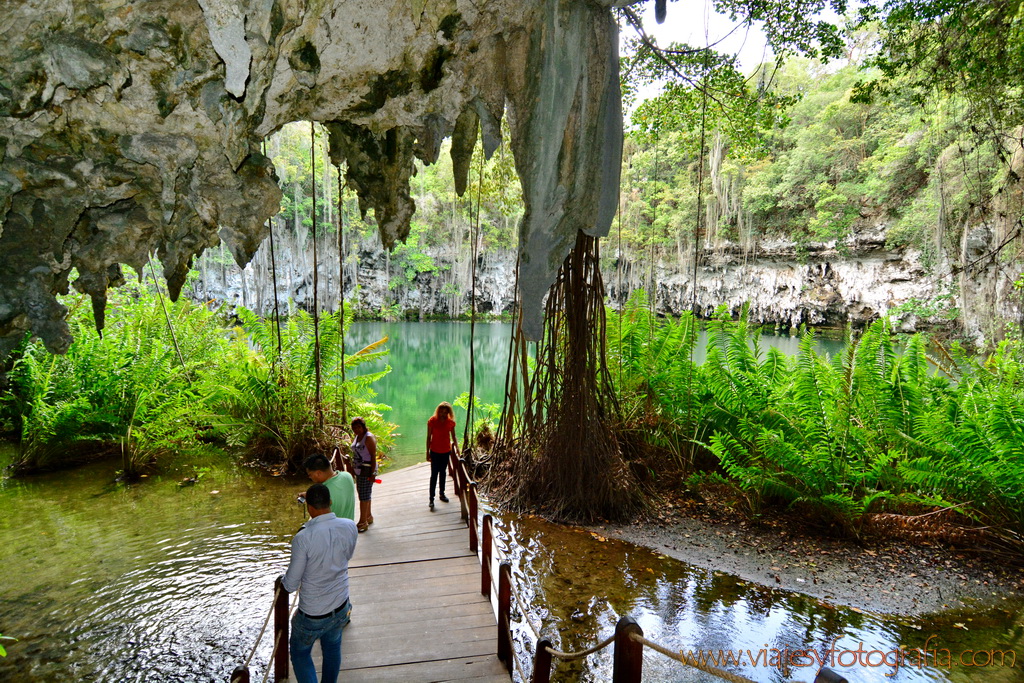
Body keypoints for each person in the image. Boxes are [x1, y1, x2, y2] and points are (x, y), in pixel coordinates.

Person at [281, 483, 358, 683]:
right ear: (330, 502)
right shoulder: (349, 526)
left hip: (313, 613)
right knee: (332, 647)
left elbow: (290, 584)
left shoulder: (303, 538)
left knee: (300, 653)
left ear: (309, 507)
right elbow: (346, 556)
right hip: (341, 605)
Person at [425, 401, 459, 510]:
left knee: (443, 473)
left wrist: (458, 448)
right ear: (438, 412)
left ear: (448, 413)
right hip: (434, 451)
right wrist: (427, 452)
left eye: (445, 412)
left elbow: (454, 437)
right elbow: (428, 437)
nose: (443, 414)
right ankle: (431, 498)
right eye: (441, 412)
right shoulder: (432, 421)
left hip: (445, 451)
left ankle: (442, 494)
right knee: (434, 474)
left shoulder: (450, 423)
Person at [303, 453, 356, 521]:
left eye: (310, 474)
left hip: (332, 530)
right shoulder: (347, 476)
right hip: (348, 527)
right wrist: (309, 495)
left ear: (318, 473)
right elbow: (336, 491)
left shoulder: (324, 492)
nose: (309, 477)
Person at [350, 417, 377, 532]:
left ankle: (363, 521)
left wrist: (373, 474)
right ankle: (368, 516)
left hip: (367, 470)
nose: (357, 430)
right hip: (359, 470)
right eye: (354, 428)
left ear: (363, 427)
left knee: (364, 496)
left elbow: (373, 456)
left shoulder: (368, 438)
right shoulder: (357, 437)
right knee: (364, 493)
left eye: (359, 427)